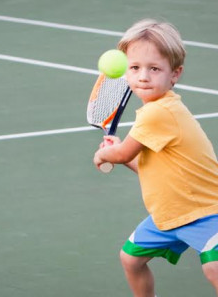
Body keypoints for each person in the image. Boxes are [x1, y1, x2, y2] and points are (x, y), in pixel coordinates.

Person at [93, 19, 218, 296]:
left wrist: (106, 153)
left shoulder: (157, 113)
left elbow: (124, 151)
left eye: (154, 69)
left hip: (207, 211)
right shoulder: (157, 112)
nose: (143, 77)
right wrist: (121, 156)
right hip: (170, 214)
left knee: (214, 269)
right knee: (131, 259)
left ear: (174, 74)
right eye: (135, 68)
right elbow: (149, 170)